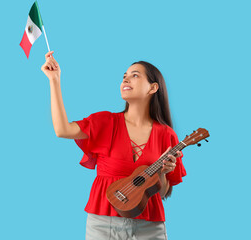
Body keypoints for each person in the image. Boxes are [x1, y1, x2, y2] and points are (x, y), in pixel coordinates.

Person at [41, 50, 186, 240]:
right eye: (124, 76)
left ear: (153, 88)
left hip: (149, 227)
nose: (126, 80)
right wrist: (54, 79)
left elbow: (163, 192)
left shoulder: (166, 134)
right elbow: (62, 130)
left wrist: (164, 172)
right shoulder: (105, 122)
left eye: (135, 76)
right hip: (103, 223)